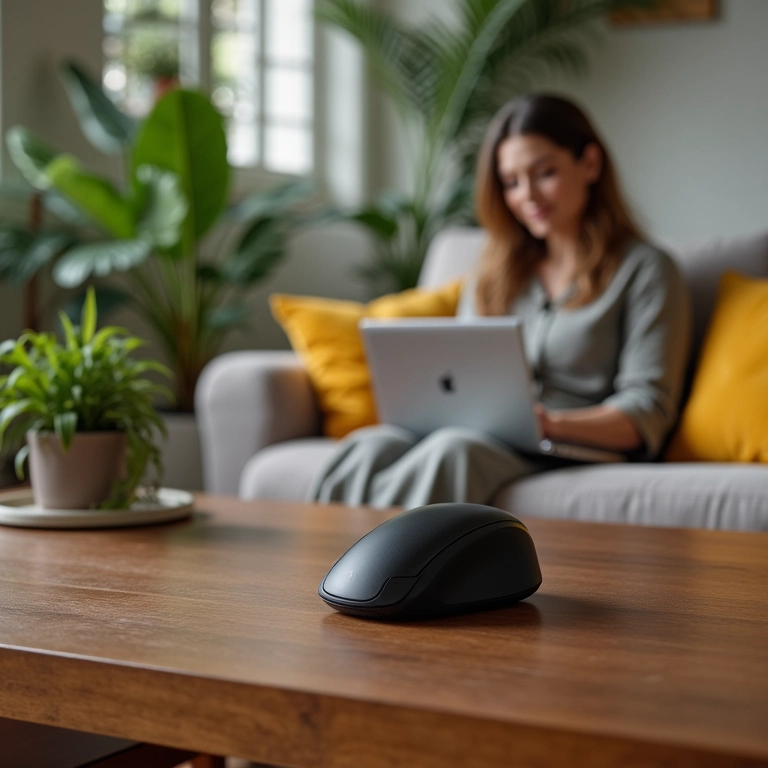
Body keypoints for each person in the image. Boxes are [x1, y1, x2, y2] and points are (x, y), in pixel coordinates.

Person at [309, 93, 691, 510]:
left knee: (454, 451)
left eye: (544, 173)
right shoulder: (495, 271)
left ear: (590, 164)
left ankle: (395, 575)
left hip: (571, 442)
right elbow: (459, 374)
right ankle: (330, 571)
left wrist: (550, 423)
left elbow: (646, 412)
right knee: (370, 445)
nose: (527, 195)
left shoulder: (646, 269)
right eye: (510, 182)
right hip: (487, 431)